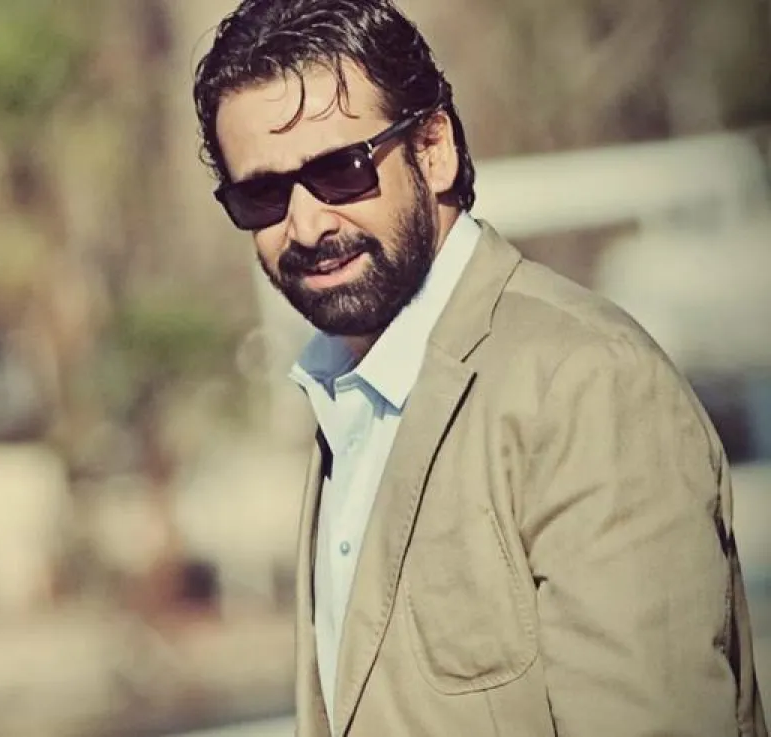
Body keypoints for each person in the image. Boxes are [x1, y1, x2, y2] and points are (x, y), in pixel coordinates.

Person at [191, 1, 767, 735]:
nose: (306, 225)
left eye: (341, 170)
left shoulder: (584, 383)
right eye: (263, 195)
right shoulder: (347, 400)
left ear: (433, 149)